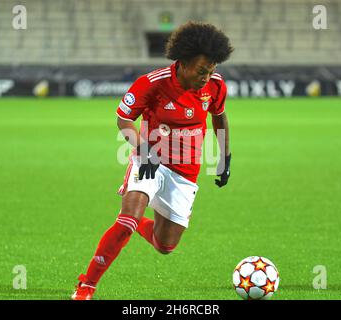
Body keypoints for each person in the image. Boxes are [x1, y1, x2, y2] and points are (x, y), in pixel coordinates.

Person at [71, 21, 233, 300]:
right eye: (201, 70)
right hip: (150, 160)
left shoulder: (215, 86)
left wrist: (224, 156)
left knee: (165, 245)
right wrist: (142, 148)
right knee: (127, 219)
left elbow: (219, 116)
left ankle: (136, 225)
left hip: (186, 171)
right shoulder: (152, 83)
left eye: (212, 70)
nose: (207, 76)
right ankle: (86, 286)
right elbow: (123, 118)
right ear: (182, 63)